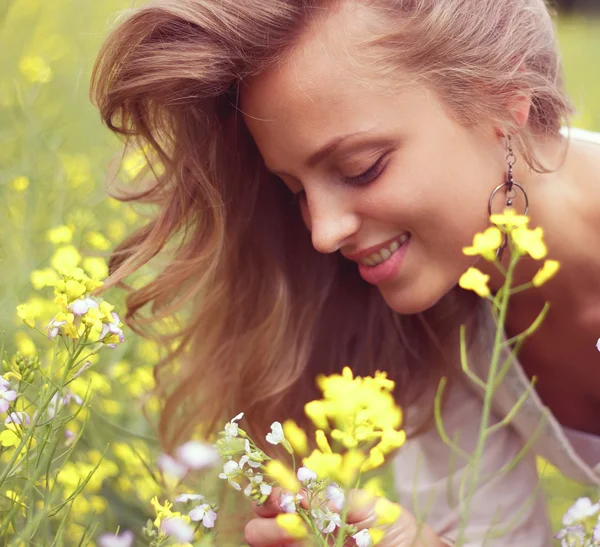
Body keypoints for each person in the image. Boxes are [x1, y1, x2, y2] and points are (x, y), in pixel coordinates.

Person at [90, 0, 600, 544]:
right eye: (295, 192)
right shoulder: (443, 324)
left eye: (362, 168)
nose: (323, 233)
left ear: (504, 98)